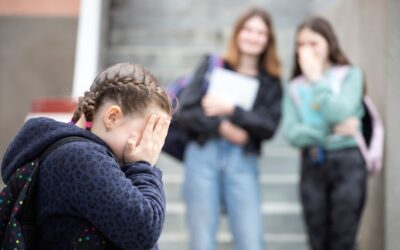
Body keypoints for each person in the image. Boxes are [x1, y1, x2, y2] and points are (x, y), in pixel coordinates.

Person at [1, 63, 172, 249]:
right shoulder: (81, 157)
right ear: (112, 117)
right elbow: (143, 230)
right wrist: (144, 165)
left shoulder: (75, 154)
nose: (150, 146)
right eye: (146, 134)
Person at [175, 7, 282, 250]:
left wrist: (232, 109)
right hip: (202, 157)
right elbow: (186, 112)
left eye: (260, 32)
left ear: (268, 40)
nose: (253, 36)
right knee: (202, 241)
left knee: (251, 241)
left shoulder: (270, 81)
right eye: (248, 29)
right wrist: (222, 126)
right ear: (238, 33)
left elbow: (269, 126)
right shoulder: (214, 65)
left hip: (242, 162)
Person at [282, 17, 367, 250]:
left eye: (313, 43)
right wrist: (330, 129)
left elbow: (340, 111)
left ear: (329, 42)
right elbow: (292, 133)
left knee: (344, 237)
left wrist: (317, 79)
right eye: (301, 44)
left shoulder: (350, 74)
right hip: (313, 162)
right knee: (317, 238)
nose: (307, 50)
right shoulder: (294, 86)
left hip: (348, 162)